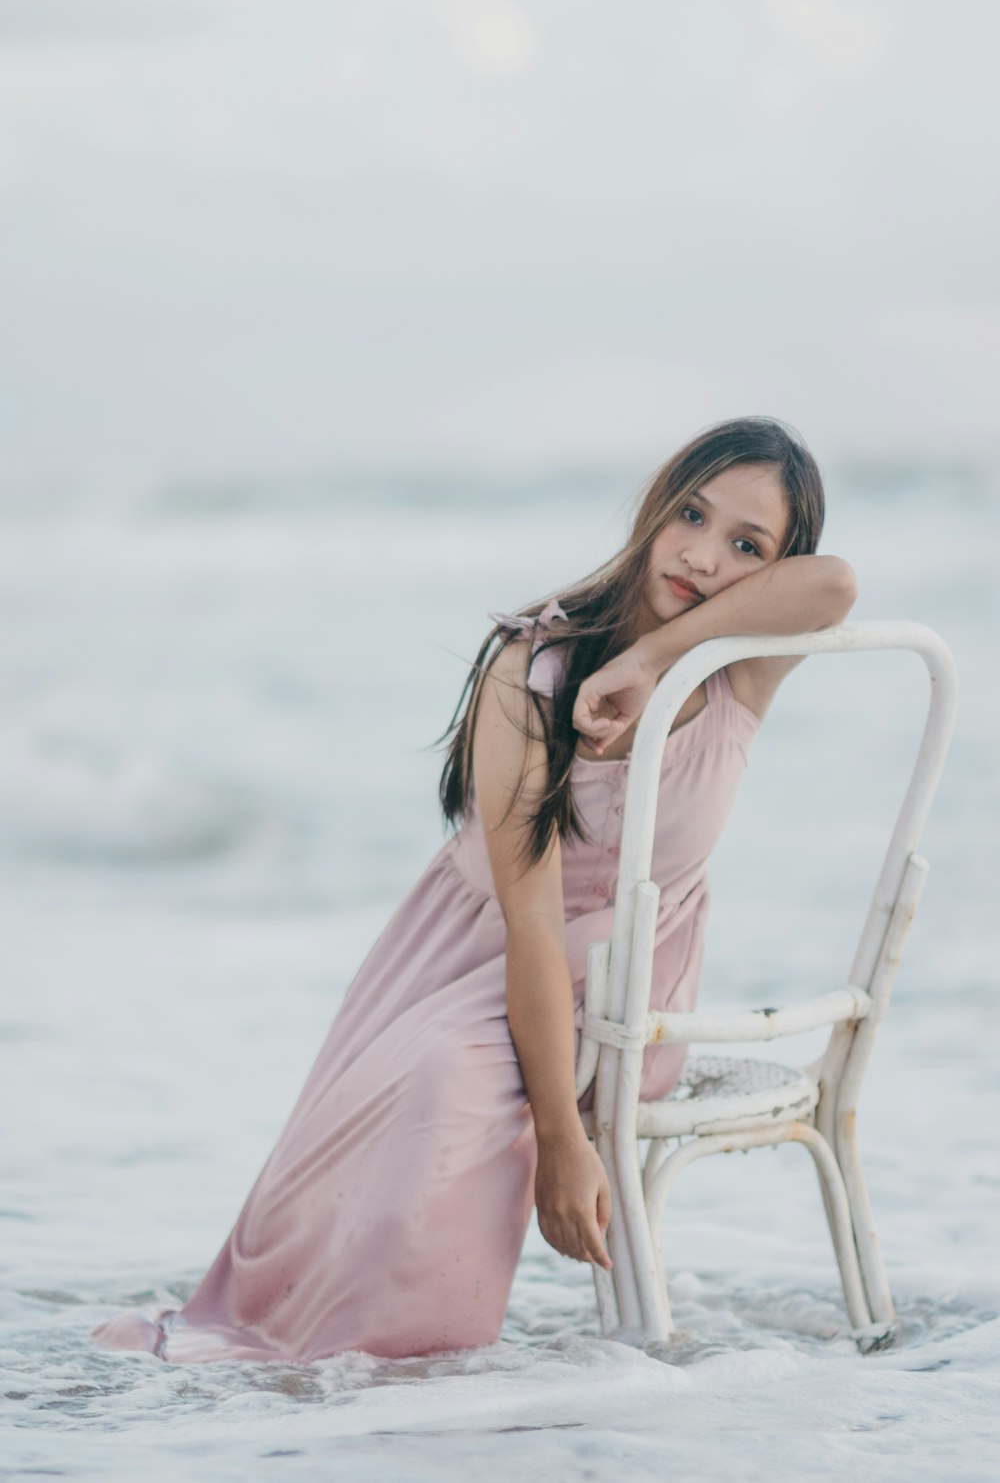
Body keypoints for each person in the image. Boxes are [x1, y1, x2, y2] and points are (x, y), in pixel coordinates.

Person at [89, 415, 857, 1364]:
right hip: (480, 955)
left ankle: (407, 1362)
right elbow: (530, 920)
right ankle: (381, 1366)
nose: (703, 556)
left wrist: (651, 657)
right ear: (656, 509)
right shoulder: (528, 669)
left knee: (449, 1074)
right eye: (690, 516)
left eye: (747, 546)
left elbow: (836, 584)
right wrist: (559, 1143)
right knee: (443, 1072)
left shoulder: (737, 668)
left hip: (628, 1001)